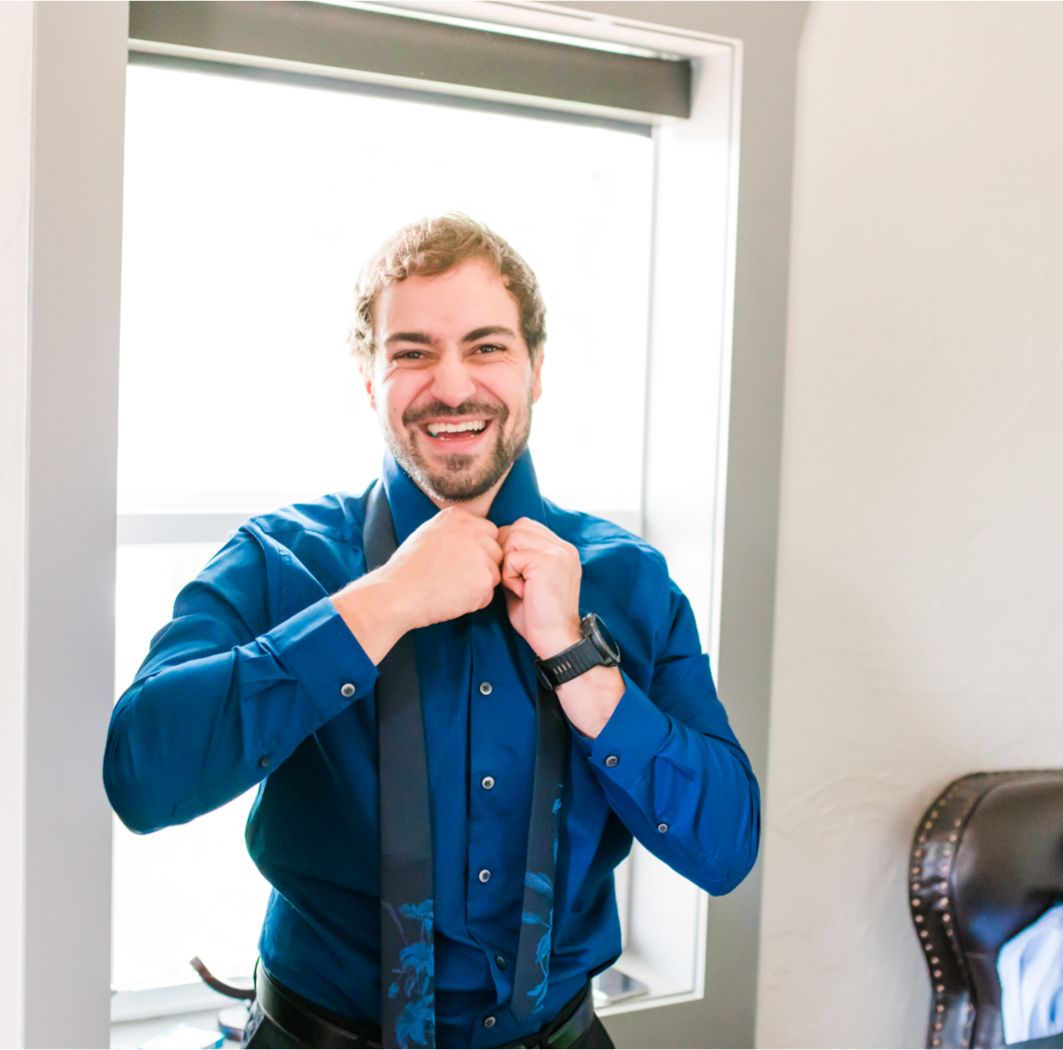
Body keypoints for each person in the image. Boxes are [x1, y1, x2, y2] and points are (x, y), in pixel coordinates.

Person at [104, 214, 760, 1049]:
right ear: (369, 378)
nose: (453, 386)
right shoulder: (279, 561)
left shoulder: (628, 581)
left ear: (536, 369)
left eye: (486, 347)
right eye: (412, 351)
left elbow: (727, 847)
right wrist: (381, 603)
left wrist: (579, 662)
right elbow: (141, 776)